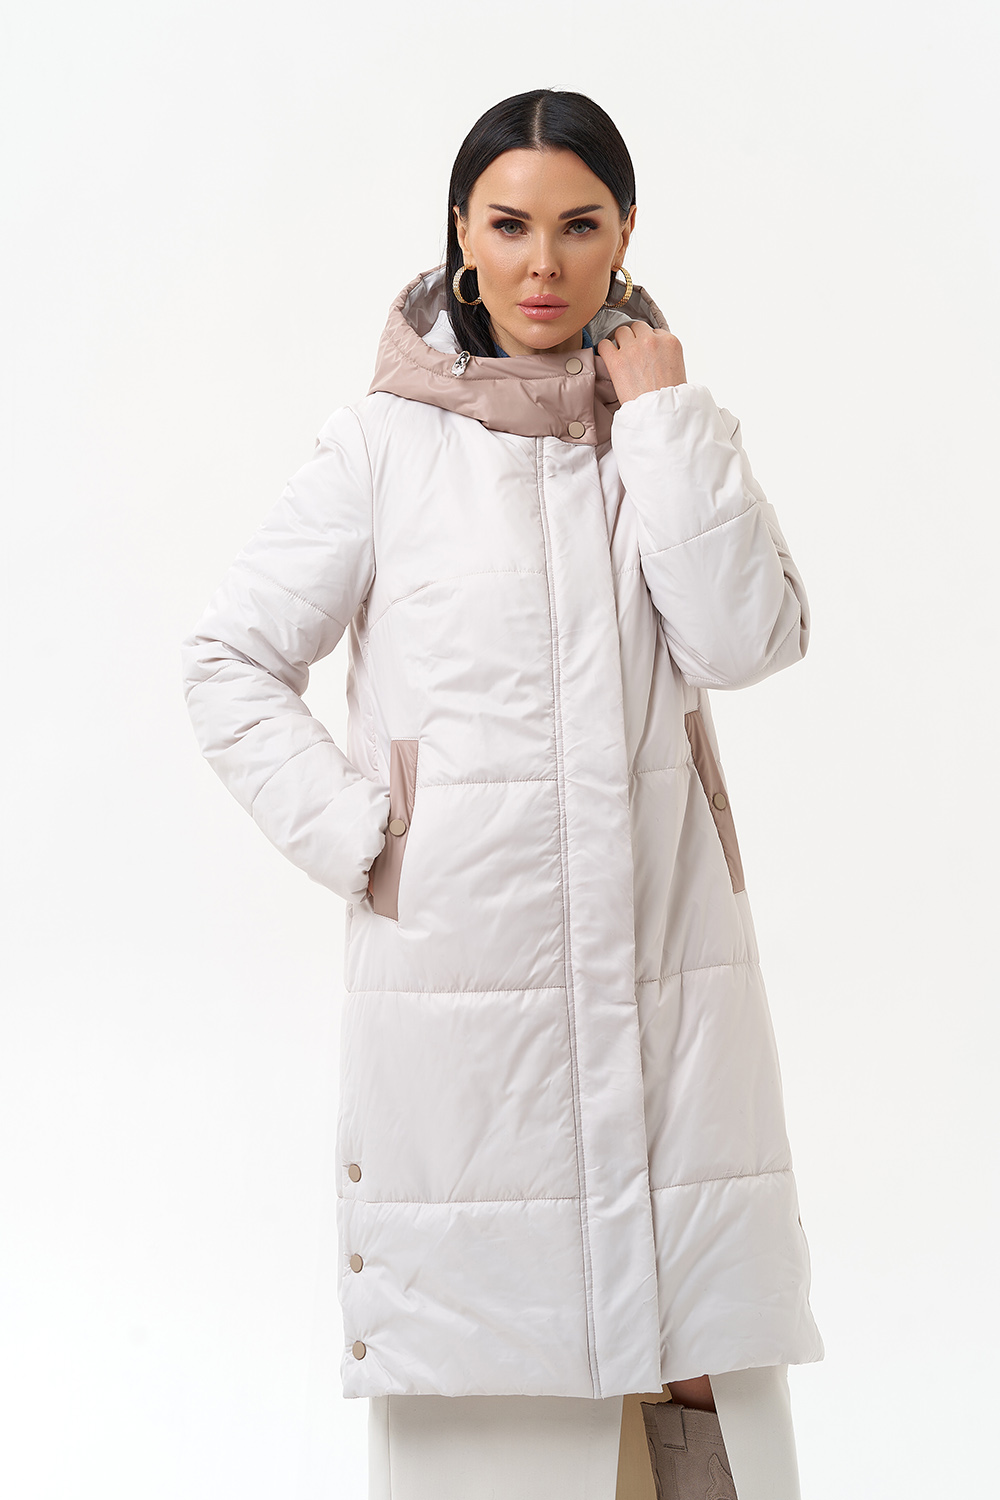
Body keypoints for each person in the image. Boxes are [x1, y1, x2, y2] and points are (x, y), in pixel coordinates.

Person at [181, 88, 824, 1500]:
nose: (545, 263)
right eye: (511, 224)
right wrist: (368, 835)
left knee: (699, 1388)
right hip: (467, 998)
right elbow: (228, 662)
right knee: (497, 1408)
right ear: (462, 237)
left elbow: (745, 641)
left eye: (579, 225)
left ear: (626, 232)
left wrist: (666, 424)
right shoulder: (381, 446)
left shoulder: (664, 431)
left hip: (670, 985)